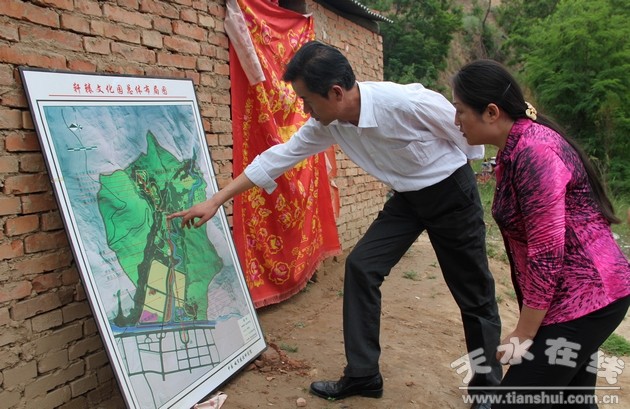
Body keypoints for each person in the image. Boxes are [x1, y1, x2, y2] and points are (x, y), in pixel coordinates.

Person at [169, 41, 501, 407]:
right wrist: (216, 200)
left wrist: (456, 179)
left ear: (336, 92)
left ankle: (487, 388)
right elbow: (279, 157)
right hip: (407, 200)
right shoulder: (329, 123)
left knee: (473, 293)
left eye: (307, 100)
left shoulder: (406, 103)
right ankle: (363, 374)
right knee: (361, 267)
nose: (304, 109)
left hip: (451, 193)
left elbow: (470, 139)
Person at [451, 59, 630, 408]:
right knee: (573, 401)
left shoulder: (534, 152)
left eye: (460, 111)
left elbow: (547, 253)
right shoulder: (515, 149)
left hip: (589, 297)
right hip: (574, 297)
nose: (456, 121)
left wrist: (524, 333)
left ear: (491, 112)